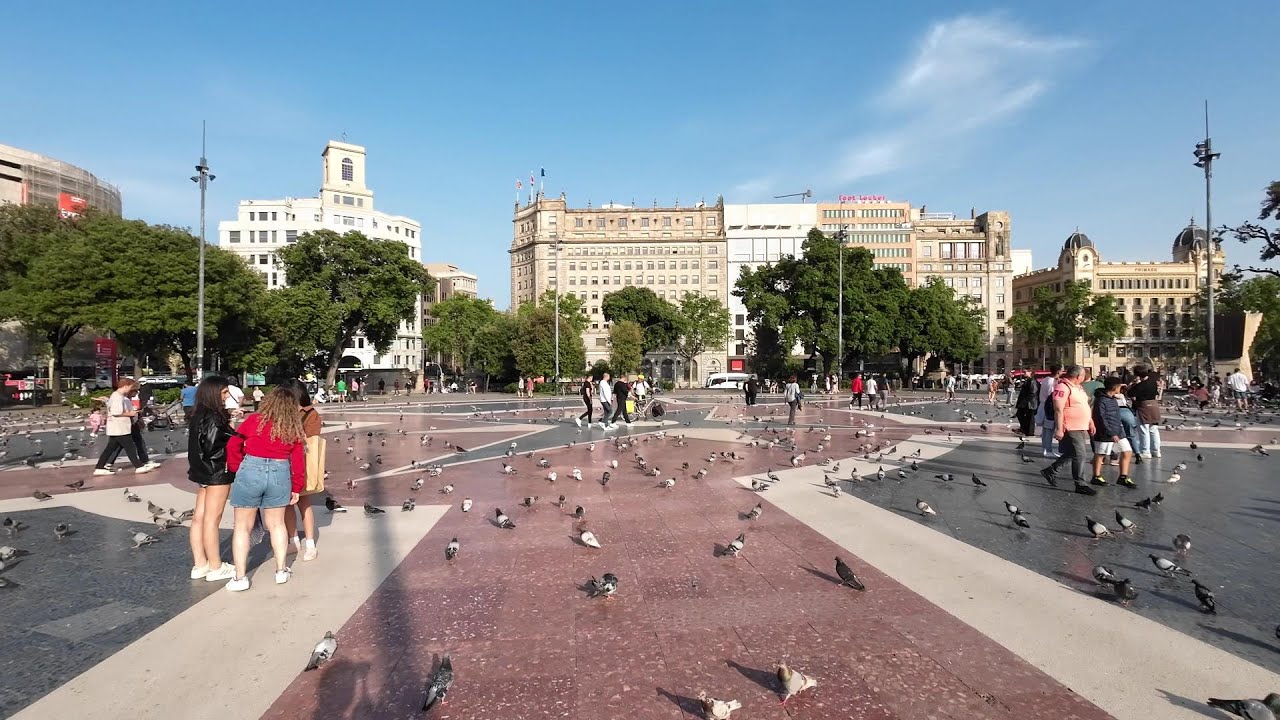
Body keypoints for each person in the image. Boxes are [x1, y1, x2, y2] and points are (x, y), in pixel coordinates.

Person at [224, 387, 307, 592]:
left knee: (242, 526)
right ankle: (280, 570)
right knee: (277, 524)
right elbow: (298, 461)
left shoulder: (254, 421)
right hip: (280, 472)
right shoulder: (292, 428)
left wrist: (236, 468)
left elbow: (233, 445)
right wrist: (296, 486)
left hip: (251, 468)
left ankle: (240, 577)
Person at [186, 375, 238, 583]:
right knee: (212, 519)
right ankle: (216, 566)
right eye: (224, 392)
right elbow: (213, 445)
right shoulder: (214, 418)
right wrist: (232, 435)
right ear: (214, 392)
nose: (227, 396)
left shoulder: (198, 414)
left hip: (200, 471)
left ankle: (200, 564)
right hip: (216, 470)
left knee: (199, 517)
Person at [279, 379, 322, 562]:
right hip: (282, 463)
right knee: (287, 504)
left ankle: (310, 543)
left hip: (302, 464)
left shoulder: (310, 413)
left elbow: (313, 438)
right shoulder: (282, 413)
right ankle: (293, 539)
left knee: (304, 503)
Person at [1039, 365, 1097, 495]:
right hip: (1070, 426)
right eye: (1083, 375)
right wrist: (1059, 429)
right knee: (1080, 454)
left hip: (1081, 425)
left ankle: (1051, 470)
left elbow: (1084, 406)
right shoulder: (1062, 387)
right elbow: (1058, 409)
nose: (1084, 377)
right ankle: (1080, 484)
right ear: (1078, 376)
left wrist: (1090, 421)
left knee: (1072, 453)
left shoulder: (1078, 388)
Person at [93, 378, 157, 476]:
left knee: (111, 448)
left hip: (117, 427)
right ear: (126, 386)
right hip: (120, 427)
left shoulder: (117, 396)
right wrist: (130, 413)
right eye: (131, 387)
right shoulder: (118, 397)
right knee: (130, 447)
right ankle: (139, 466)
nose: (132, 390)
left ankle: (100, 467)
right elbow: (116, 412)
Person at [1091, 377, 1134, 488]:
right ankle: (1096, 476)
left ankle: (1123, 477)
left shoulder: (1112, 399)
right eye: (1120, 386)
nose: (1121, 388)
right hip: (1105, 432)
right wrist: (1111, 433)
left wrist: (1119, 430)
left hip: (1118, 431)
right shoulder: (1101, 400)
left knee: (1127, 451)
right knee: (1101, 454)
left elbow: (1116, 416)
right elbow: (1101, 418)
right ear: (1115, 387)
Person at [1127, 366, 1162, 459]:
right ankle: (1156, 451)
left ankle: (1145, 451)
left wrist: (1132, 384)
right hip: (1154, 406)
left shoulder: (1140, 385)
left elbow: (1130, 393)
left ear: (1137, 375)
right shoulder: (1153, 382)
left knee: (1143, 429)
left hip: (1144, 406)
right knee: (1154, 429)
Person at [1036, 364, 1061, 457]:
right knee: (1049, 429)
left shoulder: (1046, 379)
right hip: (1049, 407)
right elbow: (1052, 396)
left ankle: (1046, 448)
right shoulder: (1052, 382)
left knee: (1046, 429)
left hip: (1043, 405)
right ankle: (1048, 450)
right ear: (1058, 372)